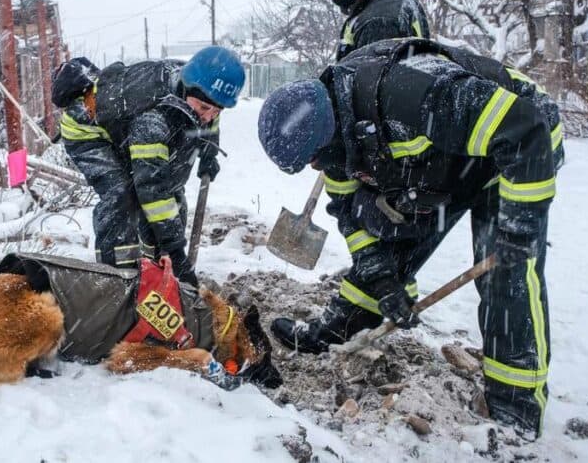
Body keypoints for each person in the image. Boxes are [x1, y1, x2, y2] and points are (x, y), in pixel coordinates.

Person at [257, 37, 562, 437]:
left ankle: (517, 408)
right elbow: (351, 217)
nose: (317, 166)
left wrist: (519, 228)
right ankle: (342, 330)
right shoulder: (335, 131)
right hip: (446, 161)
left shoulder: (418, 95)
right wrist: (383, 277)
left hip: (517, 146)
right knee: (385, 235)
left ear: (325, 135)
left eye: (315, 158)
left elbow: (526, 132)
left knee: (505, 274)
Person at [53, 46, 245, 286]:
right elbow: (152, 187)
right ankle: (117, 278)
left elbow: (210, 120)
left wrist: (208, 152)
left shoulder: (201, 91)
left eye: (217, 110)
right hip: (88, 131)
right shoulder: (152, 118)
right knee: (122, 196)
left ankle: (156, 267)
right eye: (205, 108)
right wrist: (176, 250)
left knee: (172, 191)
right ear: (187, 88)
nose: (208, 116)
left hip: (126, 127)